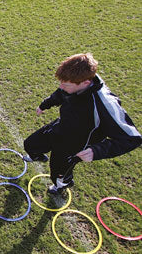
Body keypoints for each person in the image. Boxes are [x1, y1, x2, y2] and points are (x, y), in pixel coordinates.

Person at [23, 53, 141, 194]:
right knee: (29, 144)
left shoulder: (106, 104)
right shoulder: (74, 82)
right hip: (60, 128)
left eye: (65, 84)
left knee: (58, 173)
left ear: (85, 83)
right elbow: (61, 93)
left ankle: (62, 185)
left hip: (75, 146)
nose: (61, 86)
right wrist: (45, 104)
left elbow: (132, 139)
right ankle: (38, 156)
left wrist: (96, 151)